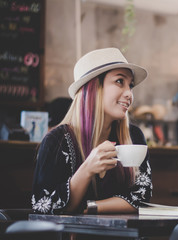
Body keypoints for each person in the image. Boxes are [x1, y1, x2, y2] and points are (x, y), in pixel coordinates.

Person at [31, 48, 152, 214]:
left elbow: (142, 195)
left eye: (130, 86)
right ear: (94, 88)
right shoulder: (57, 141)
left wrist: (91, 208)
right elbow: (43, 206)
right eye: (119, 81)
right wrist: (87, 168)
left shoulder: (134, 136)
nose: (129, 94)